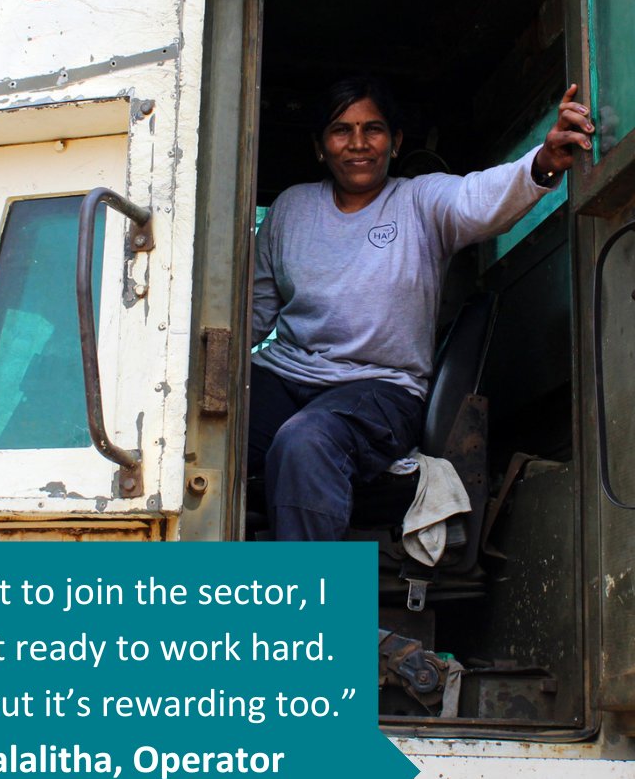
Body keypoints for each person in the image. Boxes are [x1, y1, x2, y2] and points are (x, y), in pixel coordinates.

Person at [248, 76, 593, 541]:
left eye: (372, 129)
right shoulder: (290, 209)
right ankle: (197, 588)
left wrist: (544, 162)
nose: (357, 144)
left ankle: (309, 606)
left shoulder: (419, 201)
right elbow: (251, 312)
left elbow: (478, 198)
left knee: (306, 440)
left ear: (395, 144)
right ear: (319, 146)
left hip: (378, 388)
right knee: (210, 418)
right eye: (340, 130)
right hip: (286, 376)